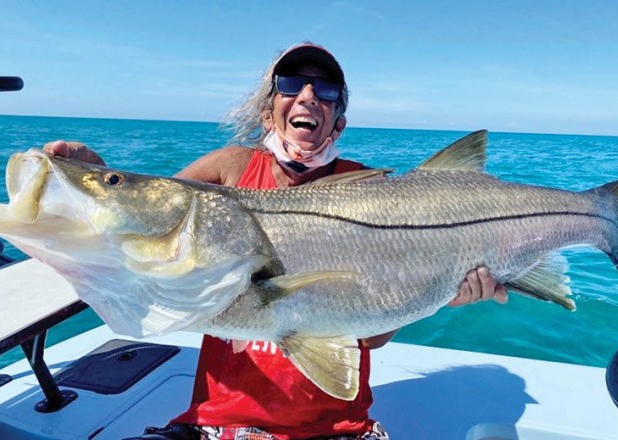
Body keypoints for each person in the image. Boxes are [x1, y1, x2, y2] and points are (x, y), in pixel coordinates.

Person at [44, 42, 508, 440]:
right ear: (270, 110)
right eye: (291, 84)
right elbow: (157, 219)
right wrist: (97, 178)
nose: (308, 95)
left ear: (338, 123)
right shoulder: (229, 169)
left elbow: (373, 335)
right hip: (217, 425)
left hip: (338, 427)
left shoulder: (369, 191)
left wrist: (443, 290)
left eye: (326, 91)